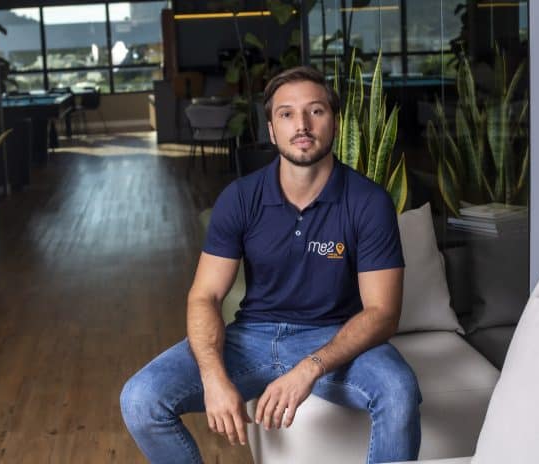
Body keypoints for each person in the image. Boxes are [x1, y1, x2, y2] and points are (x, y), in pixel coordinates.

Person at [121, 66, 421, 464]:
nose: (302, 125)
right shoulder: (240, 197)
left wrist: (308, 368)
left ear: (334, 122)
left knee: (399, 391)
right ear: (271, 129)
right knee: (140, 399)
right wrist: (213, 378)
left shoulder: (368, 202)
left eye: (316, 111)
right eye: (286, 114)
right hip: (251, 338)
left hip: (333, 338)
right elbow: (205, 296)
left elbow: (382, 313)